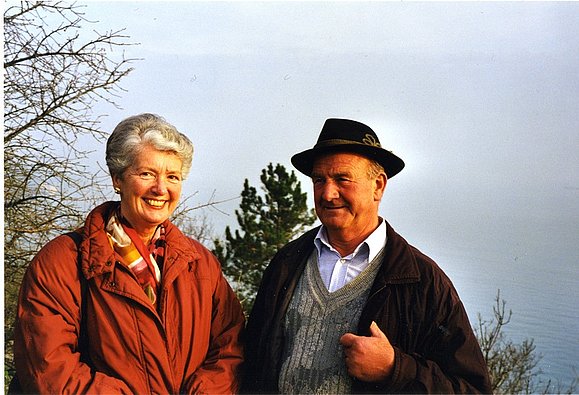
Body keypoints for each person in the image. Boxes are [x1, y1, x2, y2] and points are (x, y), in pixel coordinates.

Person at [243, 118, 491, 394]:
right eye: (318, 180)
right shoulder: (287, 263)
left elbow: (473, 390)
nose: (327, 193)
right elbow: (252, 363)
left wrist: (395, 369)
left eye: (342, 179)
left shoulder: (423, 282)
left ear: (378, 186)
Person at [13, 113, 245, 394]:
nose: (161, 188)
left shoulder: (200, 263)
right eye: (147, 173)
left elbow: (231, 348)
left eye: (172, 176)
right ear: (117, 178)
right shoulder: (63, 261)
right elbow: (49, 369)